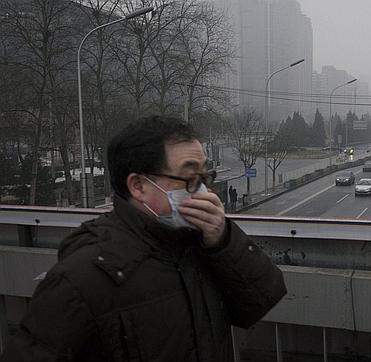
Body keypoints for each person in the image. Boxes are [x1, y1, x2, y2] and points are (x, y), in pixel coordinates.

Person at [1, 116, 286, 361]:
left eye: (204, 177)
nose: (203, 193)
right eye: (189, 179)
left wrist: (222, 239)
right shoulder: (82, 275)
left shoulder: (200, 244)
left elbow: (260, 302)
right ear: (138, 186)